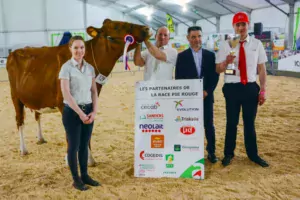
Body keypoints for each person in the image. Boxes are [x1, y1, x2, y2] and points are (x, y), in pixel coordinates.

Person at [216, 12, 269, 167]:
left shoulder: (256, 44)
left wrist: (263, 90)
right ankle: (228, 154)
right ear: (233, 26)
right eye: (237, 25)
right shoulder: (227, 44)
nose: (240, 28)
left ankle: (253, 155)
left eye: (243, 24)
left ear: (248, 25)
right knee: (231, 123)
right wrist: (226, 61)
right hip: (232, 88)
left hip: (250, 88)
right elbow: (218, 69)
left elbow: (262, 68)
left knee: (249, 123)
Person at [59, 35, 100, 191]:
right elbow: (66, 94)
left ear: (85, 49)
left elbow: (94, 92)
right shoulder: (66, 68)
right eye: (75, 47)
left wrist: (94, 112)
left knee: (84, 146)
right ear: (70, 49)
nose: (79, 51)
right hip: (72, 112)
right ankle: (76, 179)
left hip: (88, 110)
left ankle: (85, 175)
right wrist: (80, 114)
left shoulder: (89, 68)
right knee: (74, 146)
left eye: (81, 47)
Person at [175, 26, 220, 163]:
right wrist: (190, 94)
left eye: (199, 36)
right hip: (189, 100)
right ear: (188, 38)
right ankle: (190, 151)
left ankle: (211, 152)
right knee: (189, 126)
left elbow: (215, 76)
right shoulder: (182, 57)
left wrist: (207, 91)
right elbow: (179, 78)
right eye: (193, 37)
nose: (197, 39)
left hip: (207, 97)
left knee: (209, 125)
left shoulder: (210, 55)